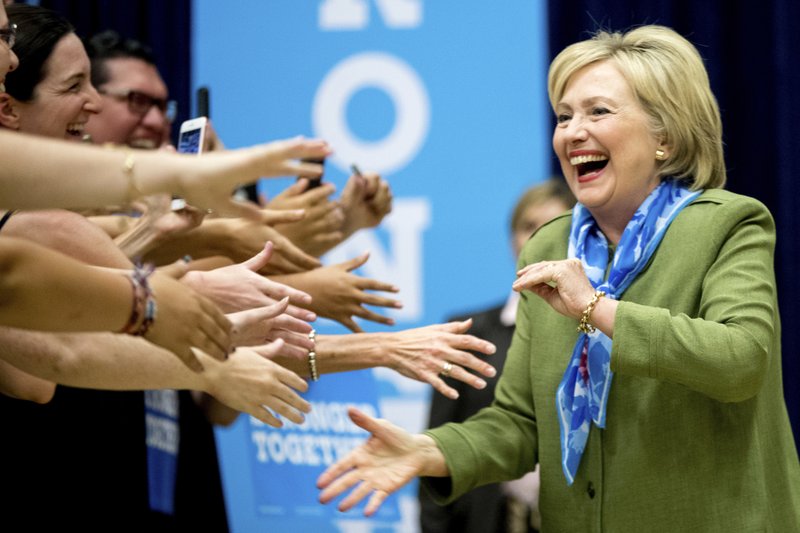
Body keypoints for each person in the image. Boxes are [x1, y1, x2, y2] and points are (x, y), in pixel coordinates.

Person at [317, 25, 800, 531]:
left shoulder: (728, 224)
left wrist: (596, 308)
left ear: (666, 136)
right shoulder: (549, 245)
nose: (572, 132)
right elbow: (521, 423)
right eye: (564, 116)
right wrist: (430, 450)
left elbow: (741, 361)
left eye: (598, 112)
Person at [420, 179, 574, 533]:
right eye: (527, 226)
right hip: (489, 519)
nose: (537, 239)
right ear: (512, 240)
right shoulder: (466, 332)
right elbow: (440, 441)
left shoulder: (600, 327)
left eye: (553, 227)